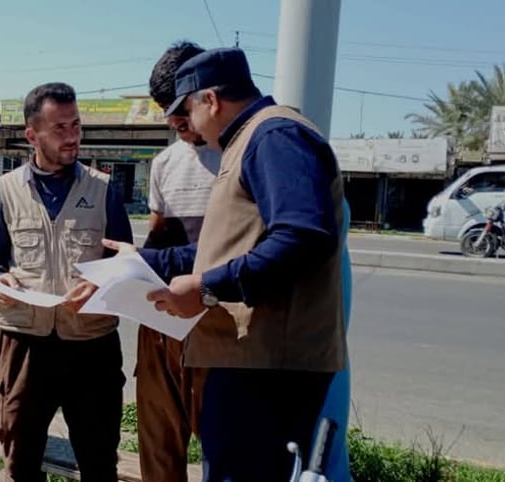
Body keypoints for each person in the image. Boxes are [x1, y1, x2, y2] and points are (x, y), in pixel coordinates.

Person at [105, 47, 347, 481]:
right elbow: (224, 250)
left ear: (210, 101)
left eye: (187, 112)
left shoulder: (275, 137)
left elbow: (302, 237)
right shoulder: (250, 140)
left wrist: (206, 289)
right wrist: (142, 259)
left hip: (270, 368)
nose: (185, 127)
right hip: (250, 362)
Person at [0, 82, 134, 481]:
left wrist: (103, 284)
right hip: (24, 343)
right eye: (60, 128)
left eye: (76, 125)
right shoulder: (6, 189)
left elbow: (125, 261)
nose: (72, 136)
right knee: (20, 454)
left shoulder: (103, 188)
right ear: (33, 135)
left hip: (91, 345)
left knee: (98, 460)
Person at [135, 40, 221, 482]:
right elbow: (158, 239)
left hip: (220, 320)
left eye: (179, 110)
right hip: (162, 325)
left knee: (224, 445)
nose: (174, 122)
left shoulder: (242, 154)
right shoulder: (165, 162)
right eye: (165, 112)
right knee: (157, 441)